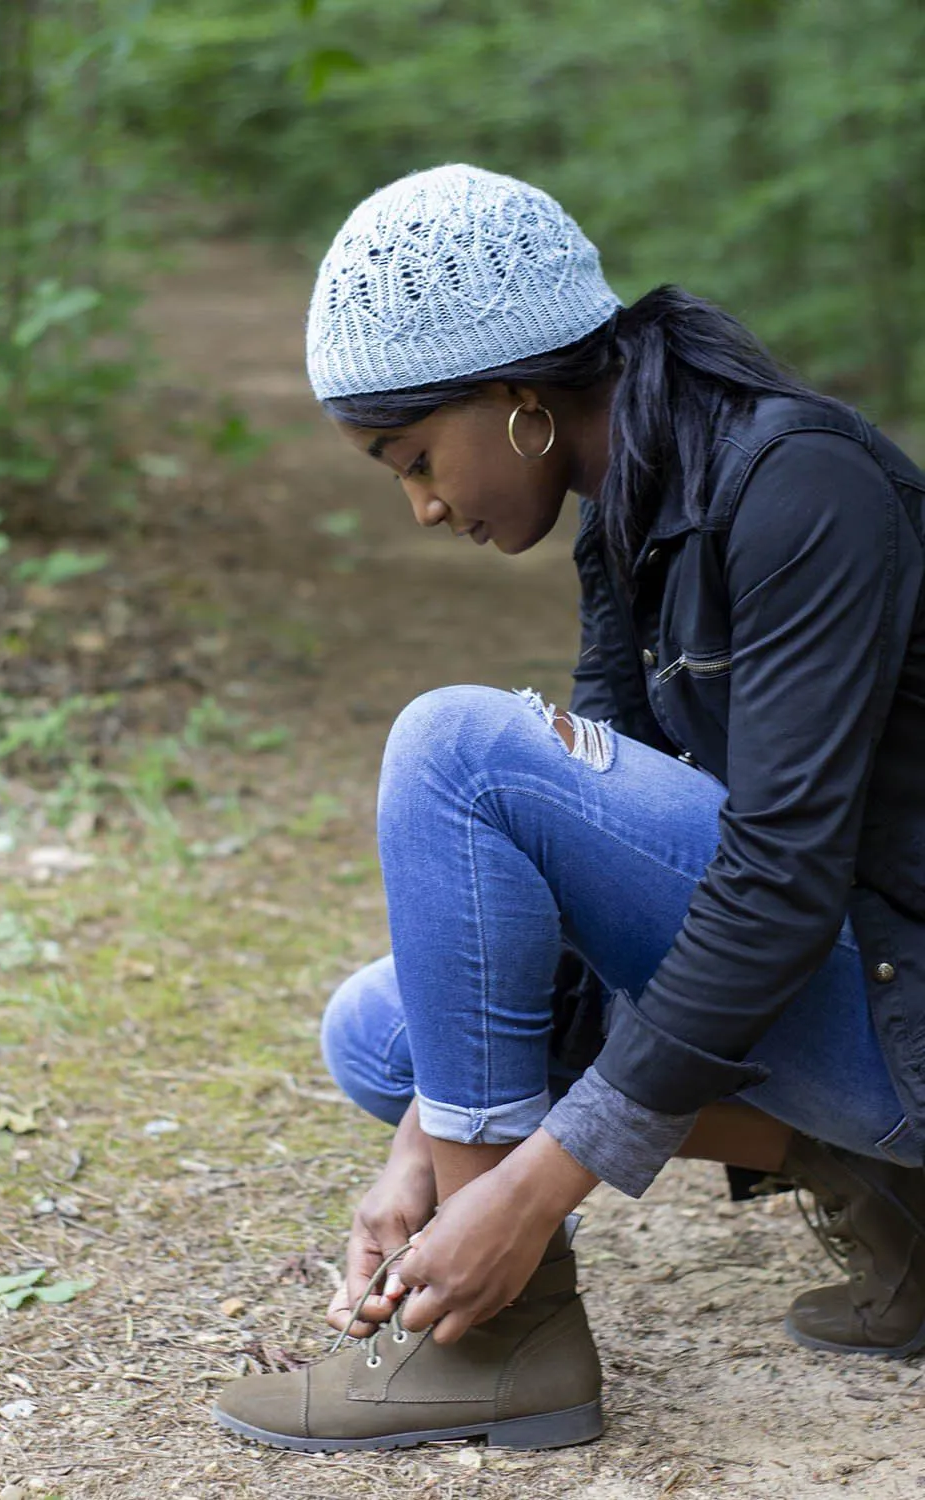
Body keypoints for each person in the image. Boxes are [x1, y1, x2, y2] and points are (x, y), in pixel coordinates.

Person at [214, 163, 925, 1453]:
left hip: (901, 997)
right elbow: (608, 859)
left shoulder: (805, 488)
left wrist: (534, 1191)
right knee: (386, 1041)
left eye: (416, 457)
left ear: (521, 396)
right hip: (846, 987)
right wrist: (425, 1158)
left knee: (458, 748)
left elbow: (778, 883)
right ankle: (886, 1193)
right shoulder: (631, 511)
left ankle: (502, 1343)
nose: (424, 506)